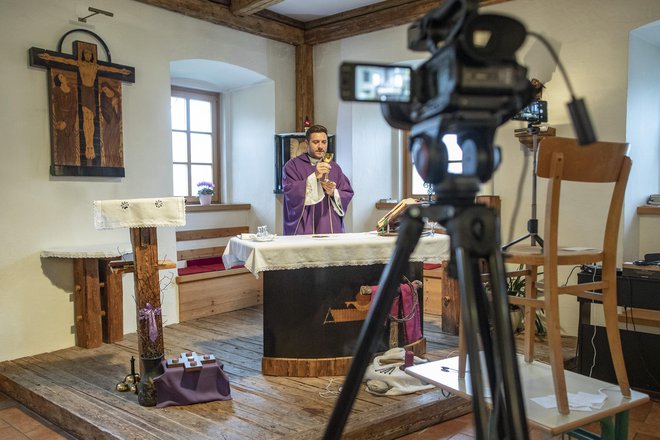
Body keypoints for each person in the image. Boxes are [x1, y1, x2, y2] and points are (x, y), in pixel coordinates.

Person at [282, 125, 353, 235]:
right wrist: (314, 177)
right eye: (316, 142)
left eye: (324, 142)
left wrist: (333, 192)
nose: (320, 146)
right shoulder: (292, 166)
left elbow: (347, 192)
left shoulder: (334, 167)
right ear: (307, 143)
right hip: (305, 228)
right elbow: (291, 193)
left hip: (330, 228)